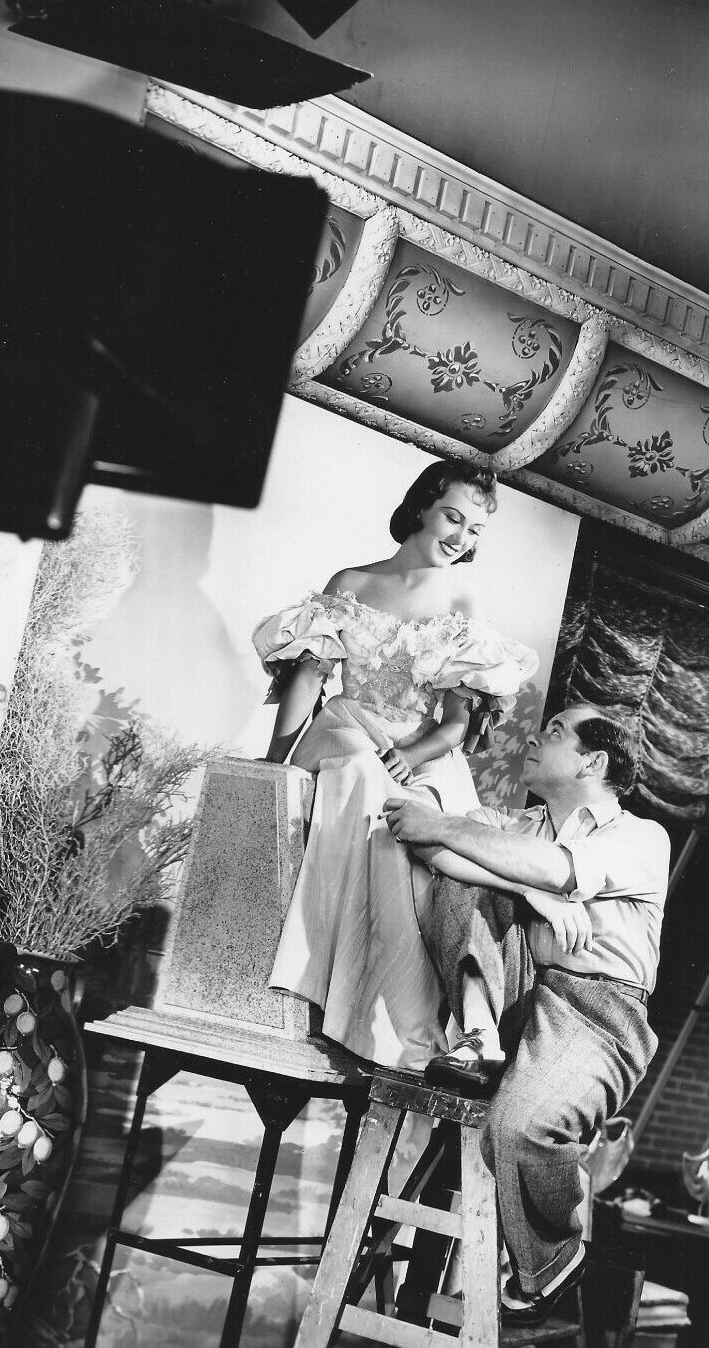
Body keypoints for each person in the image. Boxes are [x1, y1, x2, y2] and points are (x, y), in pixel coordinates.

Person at [383, 704, 670, 1327]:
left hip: (597, 1013)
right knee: (475, 866)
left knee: (520, 1126)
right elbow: (428, 846)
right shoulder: (514, 826)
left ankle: (552, 1258)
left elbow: (558, 870)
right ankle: (479, 1038)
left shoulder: (641, 837)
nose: (538, 736)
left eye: (556, 732)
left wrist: (462, 836)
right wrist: (526, 891)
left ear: (593, 762)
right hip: (516, 995)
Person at [253, 459, 538, 1070]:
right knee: (361, 774)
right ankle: (315, 978)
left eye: (475, 530)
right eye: (453, 518)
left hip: (419, 751)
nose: (461, 537)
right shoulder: (352, 582)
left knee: (406, 830)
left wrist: (409, 756)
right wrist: (276, 762)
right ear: (421, 509)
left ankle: (389, 1018)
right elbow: (309, 678)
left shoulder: (461, 599)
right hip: (347, 729)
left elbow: (455, 726)